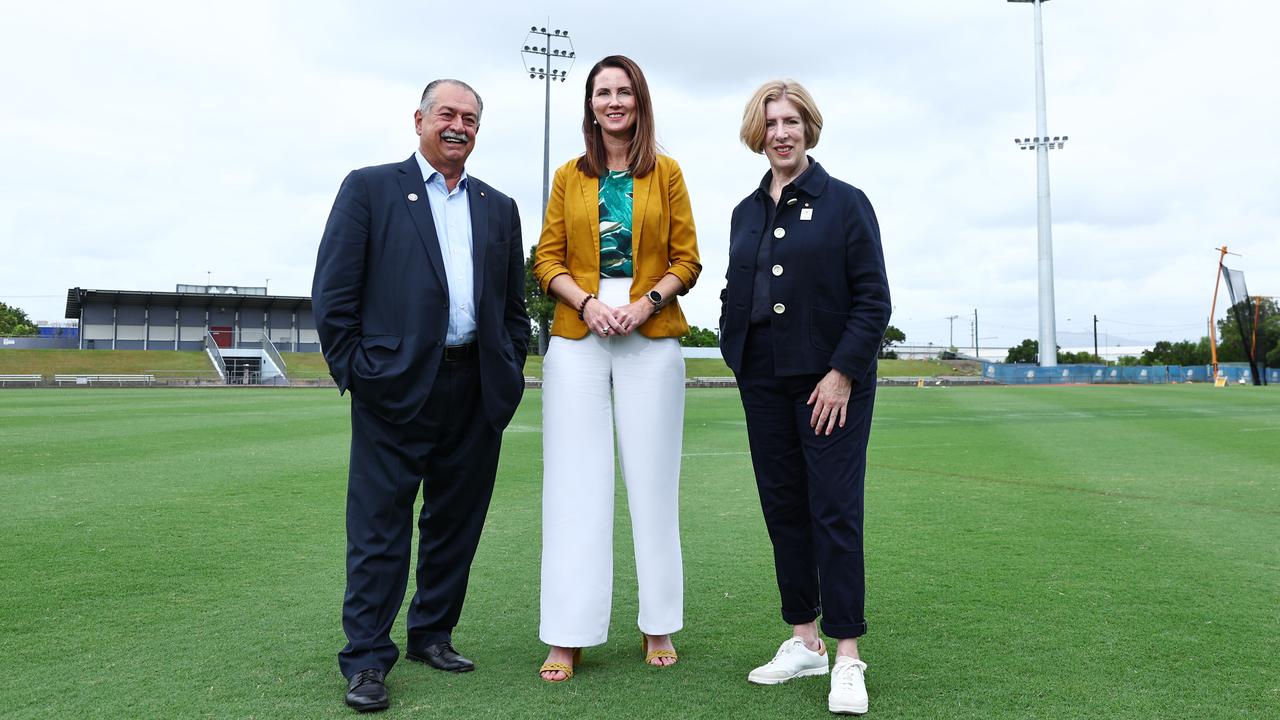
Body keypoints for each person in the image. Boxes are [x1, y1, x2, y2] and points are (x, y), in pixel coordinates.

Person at [312, 78, 530, 712]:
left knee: (454, 525)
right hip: (395, 387)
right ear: (419, 120)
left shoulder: (499, 206)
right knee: (380, 527)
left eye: (469, 117)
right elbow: (333, 292)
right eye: (446, 114)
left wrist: (508, 367)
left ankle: (432, 634)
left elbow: (514, 308)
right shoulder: (370, 188)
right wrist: (357, 369)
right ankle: (367, 660)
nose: (457, 125)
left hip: (476, 388)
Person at [719, 80, 890, 715]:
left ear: (809, 128)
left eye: (792, 121)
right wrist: (739, 355)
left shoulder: (846, 203)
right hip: (762, 379)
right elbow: (736, 291)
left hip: (830, 387)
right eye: (771, 123)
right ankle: (804, 641)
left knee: (834, 511)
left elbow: (873, 299)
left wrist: (843, 371)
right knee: (784, 509)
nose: (782, 133)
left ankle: (847, 656)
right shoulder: (744, 211)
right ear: (756, 133)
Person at [531, 54, 701, 683]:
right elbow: (546, 258)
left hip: (650, 336)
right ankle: (567, 636)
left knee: (653, 486)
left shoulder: (669, 173)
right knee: (575, 487)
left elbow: (687, 259)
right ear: (590, 104)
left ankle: (657, 624)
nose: (613, 102)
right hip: (579, 335)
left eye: (623, 91)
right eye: (602, 92)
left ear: (639, 101)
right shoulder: (567, 176)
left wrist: (644, 303)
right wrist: (590, 302)